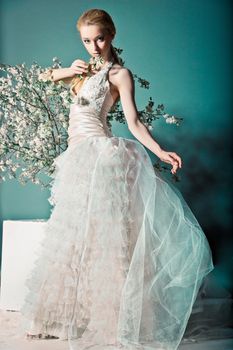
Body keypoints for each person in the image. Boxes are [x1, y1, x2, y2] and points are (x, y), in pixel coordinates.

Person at [19, 8, 214, 350]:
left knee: (108, 237)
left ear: (111, 35)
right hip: (77, 156)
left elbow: (134, 122)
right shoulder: (80, 71)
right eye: (86, 40)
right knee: (75, 233)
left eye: (100, 38)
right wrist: (70, 69)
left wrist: (160, 152)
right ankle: (57, 317)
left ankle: (115, 318)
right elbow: (44, 77)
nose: (94, 46)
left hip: (99, 156)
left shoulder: (120, 74)